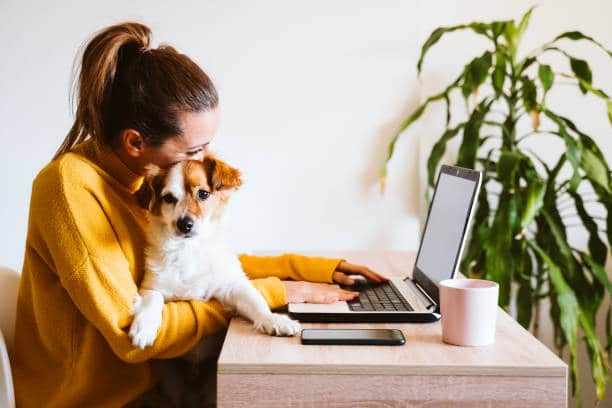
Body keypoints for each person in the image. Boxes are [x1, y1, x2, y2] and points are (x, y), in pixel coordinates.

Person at [11, 22, 387, 407]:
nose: (205, 161)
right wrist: (274, 293)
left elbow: (199, 267)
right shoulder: (69, 187)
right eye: (195, 149)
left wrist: (307, 269)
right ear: (135, 142)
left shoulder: (142, 182)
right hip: (103, 400)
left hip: (160, 384)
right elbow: (133, 336)